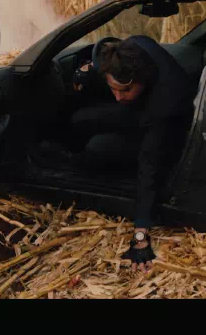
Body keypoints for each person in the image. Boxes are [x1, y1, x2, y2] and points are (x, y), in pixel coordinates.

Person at [69, 35, 196, 273]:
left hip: (165, 129)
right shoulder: (135, 44)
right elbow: (100, 64)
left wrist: (140, 236)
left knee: (98, 148)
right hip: (138, 108)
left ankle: (81, 162)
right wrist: (84, 72)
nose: (118, 97)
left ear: (142, 79)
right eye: (113, 89)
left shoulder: (166, 103)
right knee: (79, 119)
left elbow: (150, 168)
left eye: (125, 90)